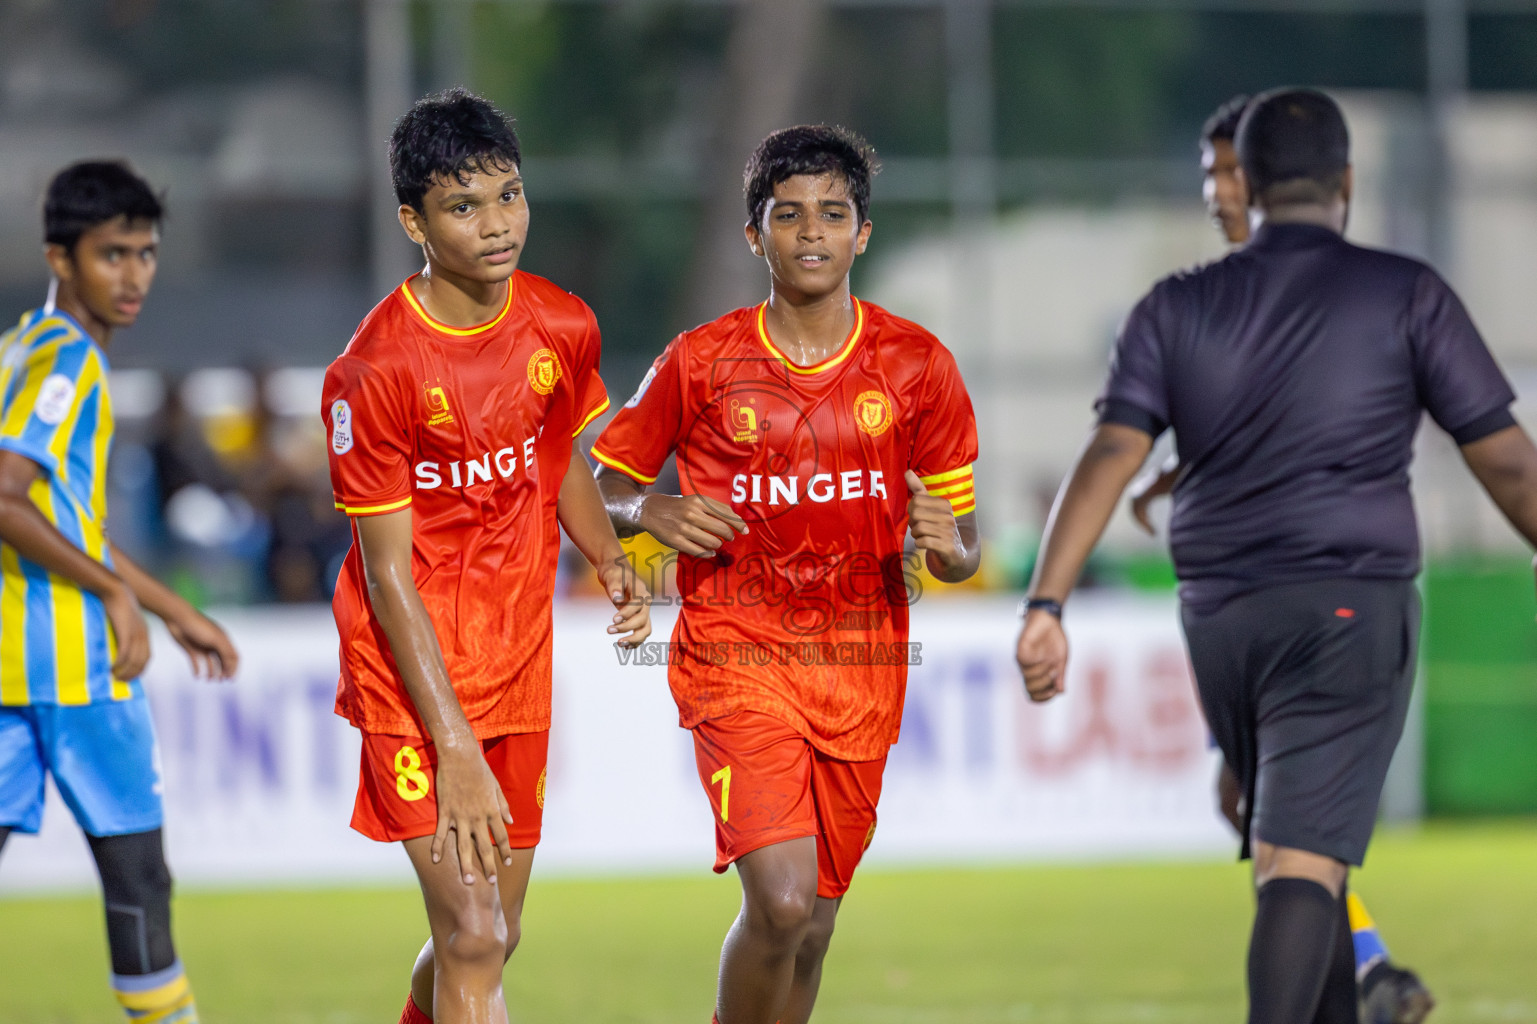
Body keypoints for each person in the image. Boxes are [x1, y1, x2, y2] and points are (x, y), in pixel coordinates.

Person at [1015, 88, 1537, 1024]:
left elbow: (1106, 453)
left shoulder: (1172, 307)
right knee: (1295, 860)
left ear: (1243, 181)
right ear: (1345, 180)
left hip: (1219, 619)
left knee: (1286, 837)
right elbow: (1504, 461)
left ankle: (1367, 984)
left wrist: (1044, 603)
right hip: (1345, 608)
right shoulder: (1403, 292)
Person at [592, 124, 981, 1024]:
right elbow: (599, 478)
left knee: (811, 931)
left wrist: (944, 544)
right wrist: (648, 510)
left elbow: (958, 549)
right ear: (753, 235)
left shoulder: (919, 368)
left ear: (862, 235)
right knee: (780, 901)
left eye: (833, 215)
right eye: (789, 214)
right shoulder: (700, 361)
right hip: (737, 656)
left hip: (861, 670)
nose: (812, 232)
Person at [320, 89, 650, 1024]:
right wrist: (454, 744)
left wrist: (606, 556)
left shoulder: (560, 323)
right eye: (464, 207)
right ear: (413, 221)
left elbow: (561, 462)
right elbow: (385, 572)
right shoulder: (373, 371)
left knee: (493, 935)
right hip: (410, 664)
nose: (498, 224)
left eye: (508, 196)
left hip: (517, 652)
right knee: (470, 933)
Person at [1129, 93, 1435, 1023]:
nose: (1220, 192)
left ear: (1263, 179)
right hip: (1254, 596)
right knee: (1255, 809)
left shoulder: (1317, 289)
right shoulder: (1219, 298)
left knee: (1267, 817)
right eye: (1210, 175)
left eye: (1231, 171)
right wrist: (1177, 474)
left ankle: (1370, 965)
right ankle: (1368, 973)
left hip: (1305, 590)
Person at [0, 160, 240, 1024]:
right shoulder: (70, 361)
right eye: (112, 255)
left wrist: (174, 608)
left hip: (7, 667)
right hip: (75, 670)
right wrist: (113, 595)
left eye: (145, 253)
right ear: (60, 258)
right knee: (139, 880)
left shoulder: (20, 346)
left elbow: (65, 521)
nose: (134, 275)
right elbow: (5, 492)